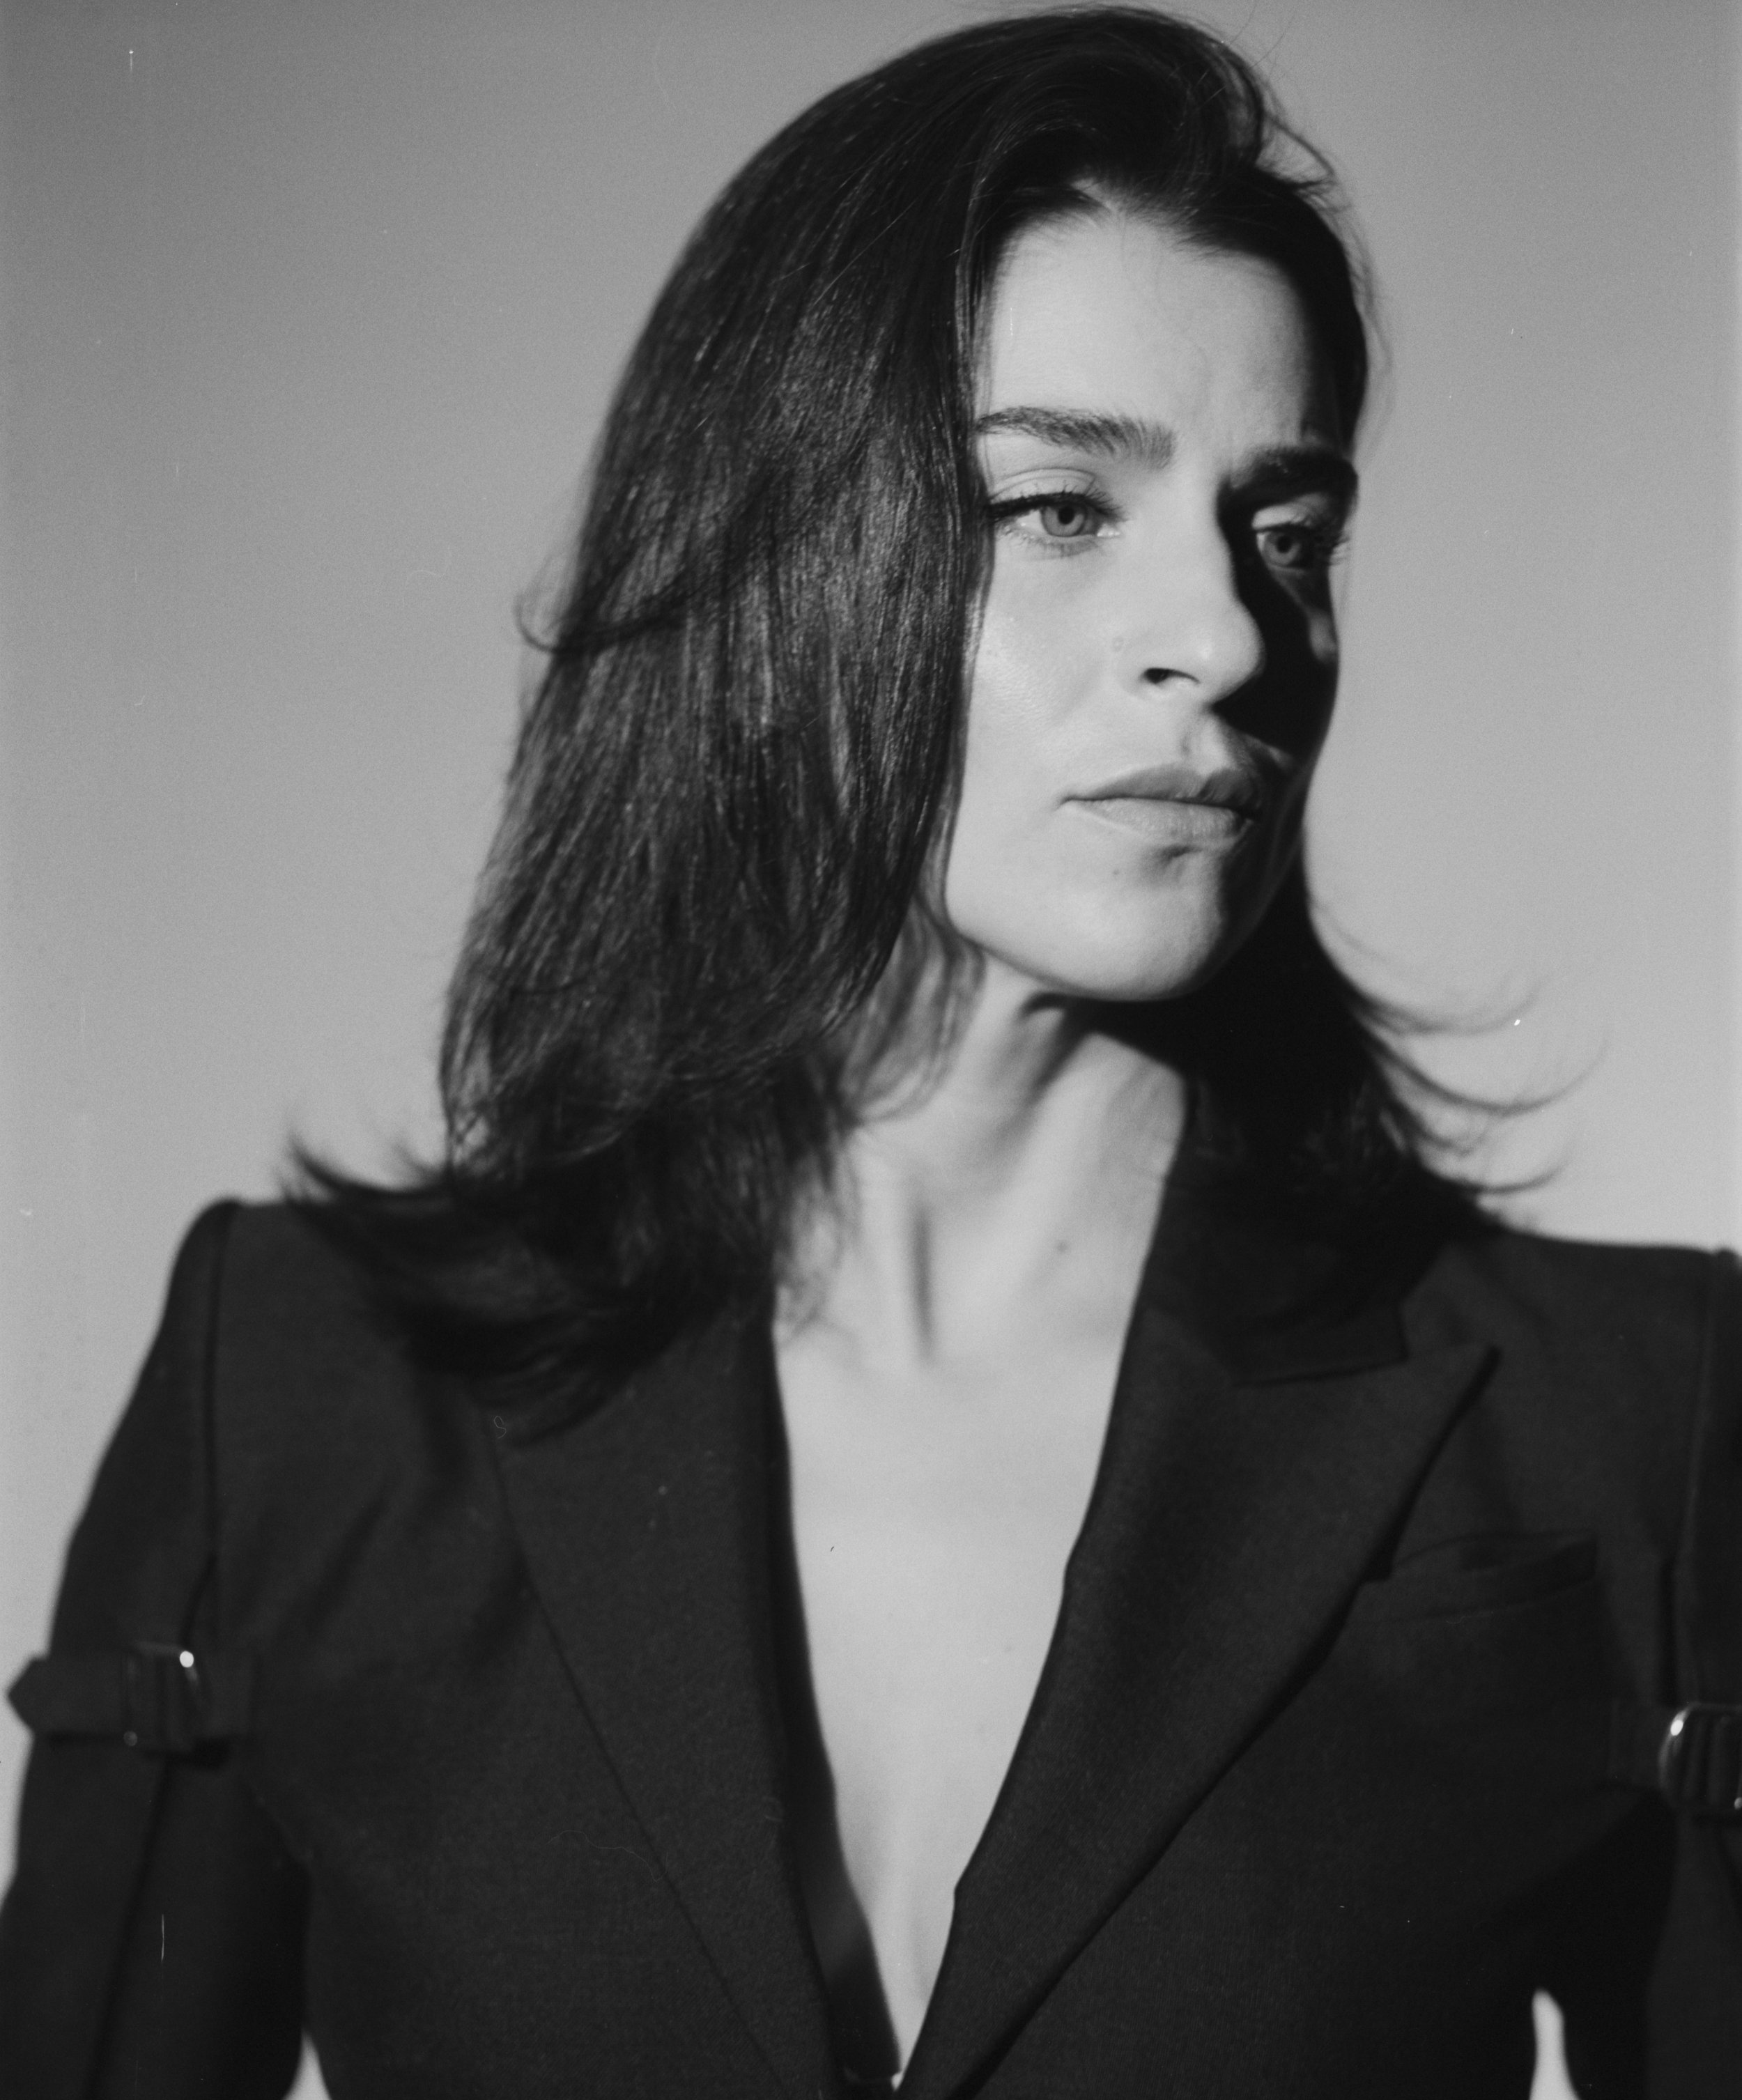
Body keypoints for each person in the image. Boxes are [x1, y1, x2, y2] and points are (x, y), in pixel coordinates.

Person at [2, 8, 1738, 2095]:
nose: (1227, 636)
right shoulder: (300, 1388)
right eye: (1060, 507)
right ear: (769, 556)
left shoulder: (1624, 1415)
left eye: (1286, 530)